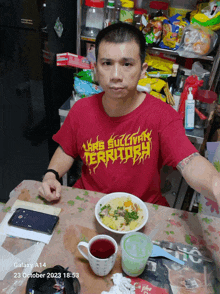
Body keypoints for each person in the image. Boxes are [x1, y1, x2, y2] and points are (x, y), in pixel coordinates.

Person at [39, 22, 220, 210]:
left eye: (127, 64)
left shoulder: (161, 115)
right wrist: (51, 175)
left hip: (141, 209)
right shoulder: (81, 109)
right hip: (90, 202)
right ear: (95, 68)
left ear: (142, 70)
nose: (116, 75)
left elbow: (189, 161)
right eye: (107, 63)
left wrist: (216, 187)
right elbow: (67, 149)